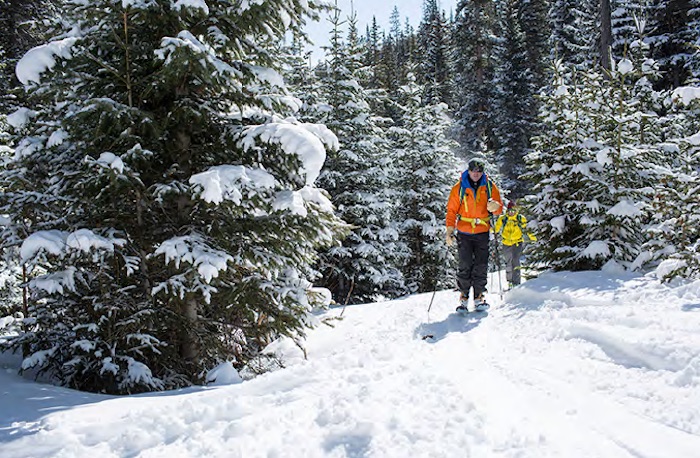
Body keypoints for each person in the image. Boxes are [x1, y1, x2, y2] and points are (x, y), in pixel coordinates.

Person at [445, 158, 502, 312]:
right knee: (465, 264)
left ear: (482, 172)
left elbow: (498, 209)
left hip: (482, 231)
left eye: (479, 171)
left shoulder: (489, 186)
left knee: (481, 265)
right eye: (473, 170)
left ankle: (479, 296)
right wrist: (450, 230)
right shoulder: (459, 187)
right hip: (464, 232)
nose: (476, 174)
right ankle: (464, 295)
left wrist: (496, 207)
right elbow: (451, 210)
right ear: (468, 171)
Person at [494, 200, 537, 289]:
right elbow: (496, 229)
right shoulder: (503, 219)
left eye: (513, 211)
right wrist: (491, 231)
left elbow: (527, 230)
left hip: (517, 242)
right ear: (507, 211)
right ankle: (509, 281)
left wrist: (533, 238)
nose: (511, 213)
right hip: (506, 243)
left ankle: (516, 282)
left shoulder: (520, 218)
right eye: (510, 211)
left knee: (516, 261)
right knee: (508, 262)